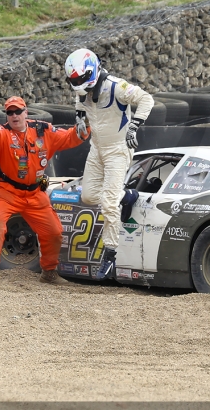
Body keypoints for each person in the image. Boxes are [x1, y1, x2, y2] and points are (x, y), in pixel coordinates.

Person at [0, 95, 86, 288]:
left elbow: (69, 138)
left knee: (54, 232)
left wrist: (84, 128)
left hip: (35, 192)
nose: (14, 116)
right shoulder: (4, 133)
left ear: (25, 112)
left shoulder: (43, 130)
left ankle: (48, 273)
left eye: (18, 111)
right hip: (7, 191)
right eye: (10, 112)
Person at [64, 47, 153, 281]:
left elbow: (146, 99)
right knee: (89, 196)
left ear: (92, 71)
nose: (78, 85)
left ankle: (110, 254)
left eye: (81, 79)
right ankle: (126, 195)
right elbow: (80, 100)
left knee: (108, 203)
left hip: (117, 149)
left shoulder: (116, 86)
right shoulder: (82, 90)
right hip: (96, 148)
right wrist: (79, 118)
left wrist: (134, 126)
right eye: (74, 81)